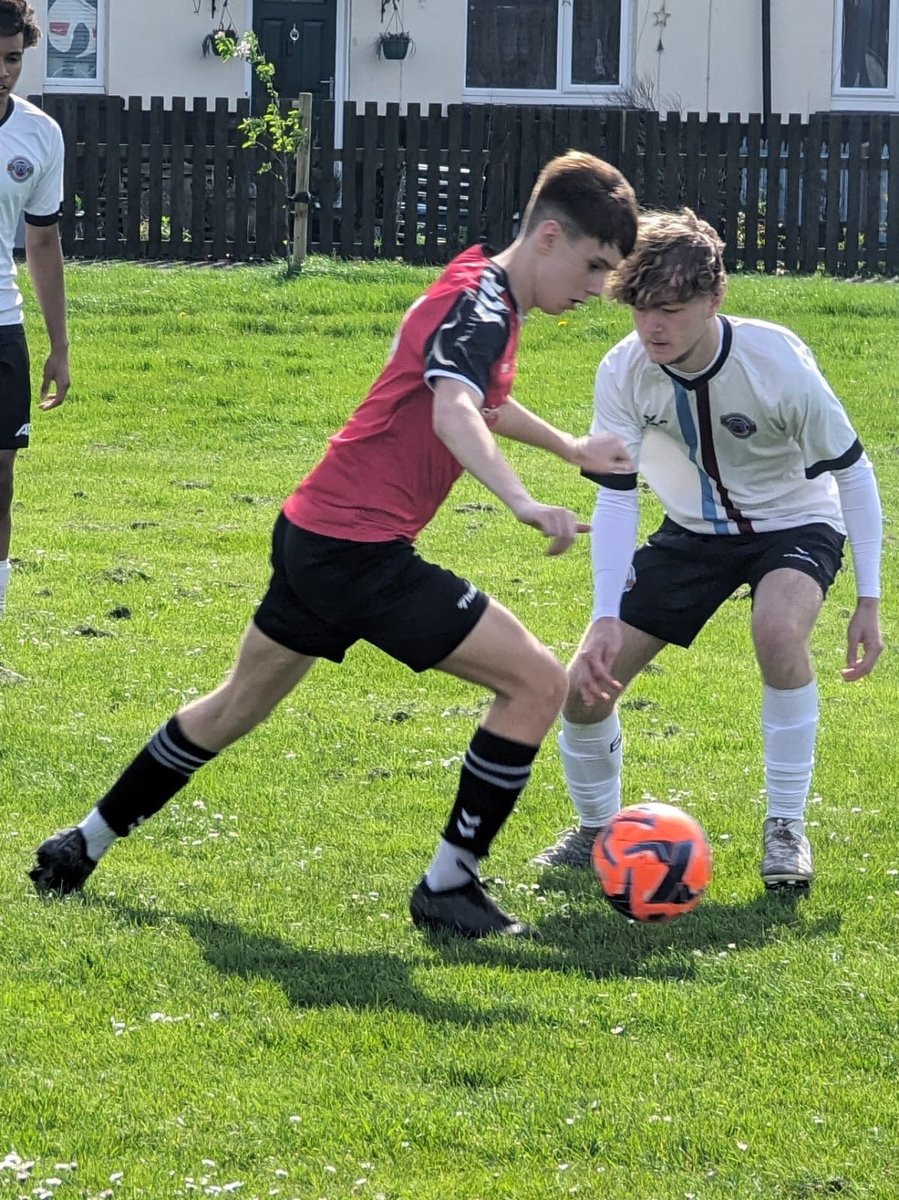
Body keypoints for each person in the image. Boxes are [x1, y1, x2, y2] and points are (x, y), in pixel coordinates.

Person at [30, 150, 639, 938]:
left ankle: (81, 843)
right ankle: (449, 887)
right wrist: (523, 501)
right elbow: (455, 411)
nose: (596, 290)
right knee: (534, 685)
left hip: (315, 535)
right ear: (549, 237)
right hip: (359, 552)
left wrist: (569, 449)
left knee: (233, 708)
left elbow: (484, 400)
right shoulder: (482, 308)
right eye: (593, 266)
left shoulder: (482, 289)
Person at [532, 207, 883, 890]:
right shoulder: (623, 371)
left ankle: (784, 828)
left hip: (794, 523)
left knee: (778, 631)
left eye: (670, 308)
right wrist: (605, 612)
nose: (653, 327)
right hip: (689, 535)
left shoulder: (775, 363)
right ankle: (597, 830)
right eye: (639, 309)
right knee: (582, 687)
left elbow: (853, 473)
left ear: (715, 298)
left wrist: (867, 598)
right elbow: (615, 494)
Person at [0, 0, 70, 617]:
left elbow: (42, 242)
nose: (2, 70)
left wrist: (60, 344)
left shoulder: (40, 134)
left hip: (2, 327)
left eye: (12, 58)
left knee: (0, 478)